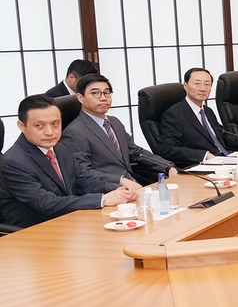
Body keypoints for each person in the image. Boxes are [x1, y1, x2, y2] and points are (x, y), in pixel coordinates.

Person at [0, 95, 139, 228]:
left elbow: (84, 180)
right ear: (22, 126)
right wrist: (103, 199)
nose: (49, 132)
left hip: (68, 222)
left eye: (55, 124)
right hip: (32, 233)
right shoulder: (14, 162)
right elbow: (47, 204)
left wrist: (118, 189)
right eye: (39, 126)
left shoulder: (60, 149)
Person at [59, 74, 175, 187]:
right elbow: (84, 172)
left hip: (134, 185)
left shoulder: (114, 122)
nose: (103, 98)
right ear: (80, 97)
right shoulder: (75, 132)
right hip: (109, 191)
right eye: (96, 93)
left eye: (106, 93)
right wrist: (120, 181)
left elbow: (135, 152)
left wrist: (167, 166)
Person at [157, 68, 236, 166]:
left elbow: (221, 135)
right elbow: (167, 149)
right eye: (197, 84)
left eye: (207, 84)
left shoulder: (207, 111)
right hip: (203, 165)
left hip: (226, 160)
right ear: (185, 86)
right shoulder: (174, 114)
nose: (203, 88)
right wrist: (204, 155)